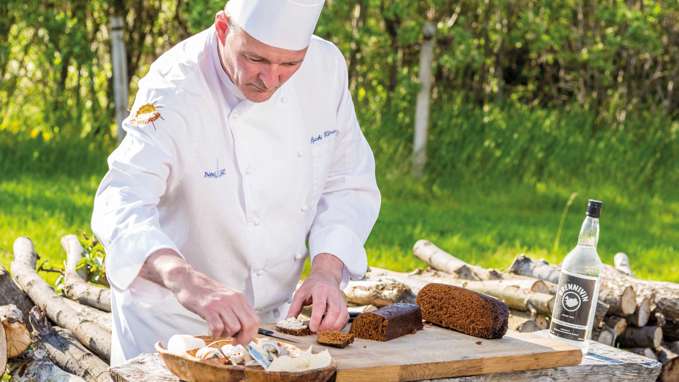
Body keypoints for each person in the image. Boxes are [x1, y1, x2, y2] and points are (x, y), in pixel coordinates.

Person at [91, 0, 380, 366]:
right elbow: (121, 198)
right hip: (172, 324)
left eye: (290, 64)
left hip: (274, 325)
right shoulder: (174, 87)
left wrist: (327, 269)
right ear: (223, 30)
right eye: (255, 58)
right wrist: (185, 279)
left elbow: (346, 181)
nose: (270, 79)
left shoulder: (326, 68)